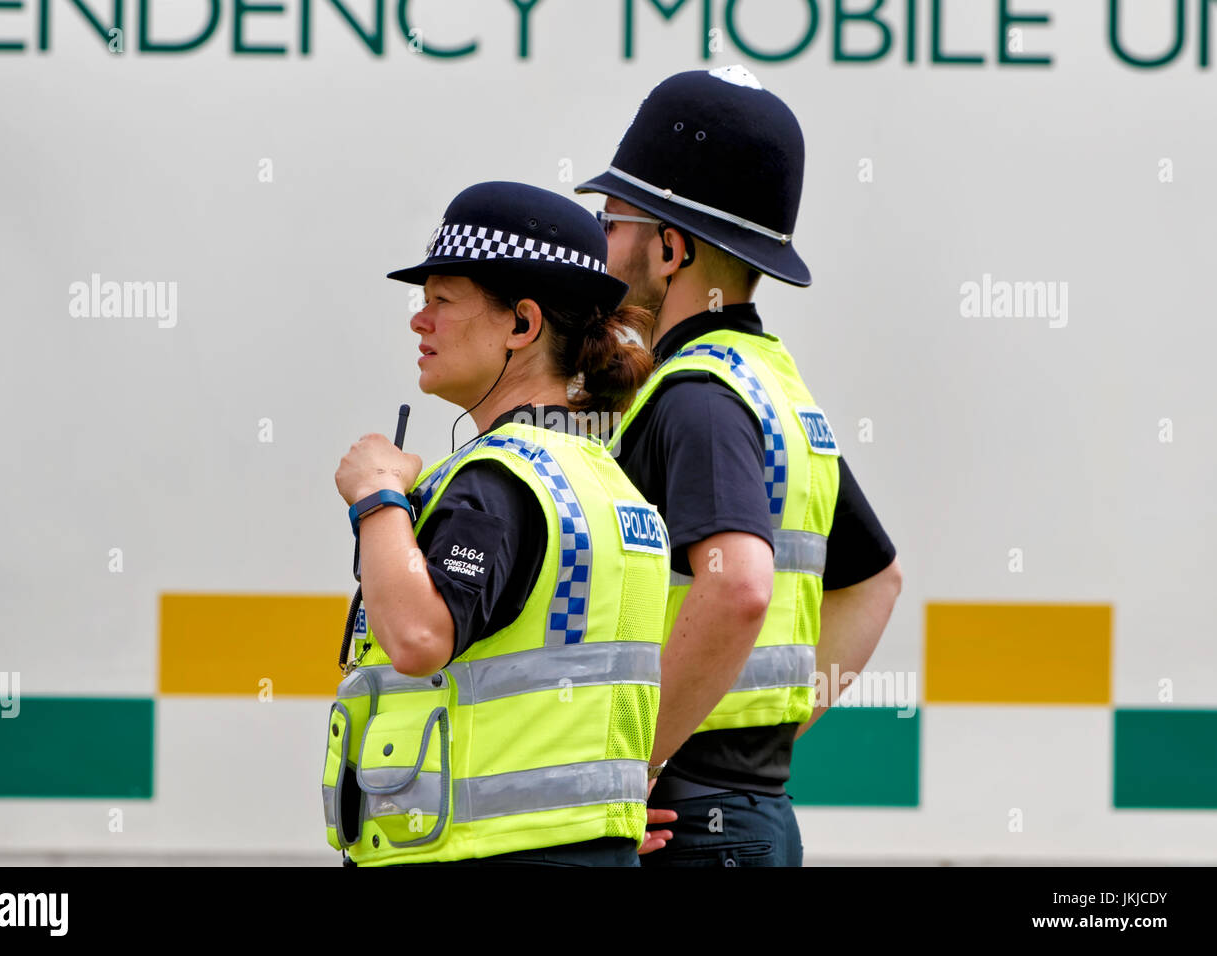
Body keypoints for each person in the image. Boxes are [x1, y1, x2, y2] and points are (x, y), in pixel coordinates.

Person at [575, 66, 904, 867]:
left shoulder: (695, 397)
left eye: (612, 221)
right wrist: (756, 752)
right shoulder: (769, 383)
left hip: (683, 828)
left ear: (671, 248)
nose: (600, 245)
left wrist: (633, 764)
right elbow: (873, 582)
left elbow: (739, 585)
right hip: (742, 812)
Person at [320, 181, 672, 867]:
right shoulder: (609, 484)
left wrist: (376, 497)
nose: (419, 322)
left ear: (521, 325)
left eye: (442, 301)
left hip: (481, 854)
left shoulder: (497, 480)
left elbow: (419, 638)